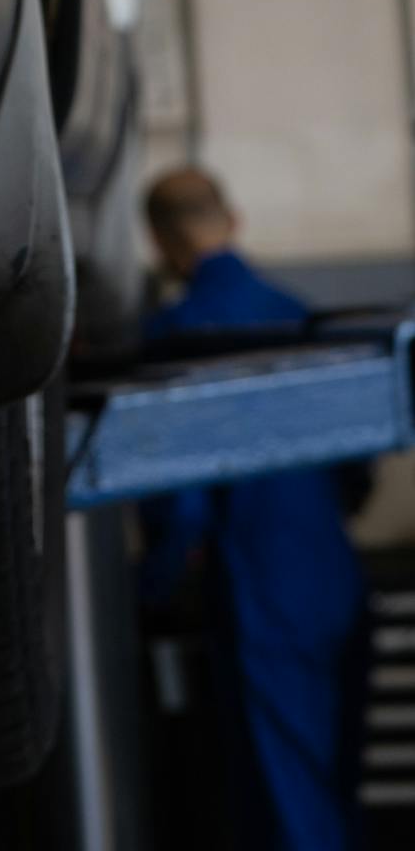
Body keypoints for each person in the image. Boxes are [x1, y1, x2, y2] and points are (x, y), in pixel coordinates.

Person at [141, 167, 370, 851]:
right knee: (332, 786)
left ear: (159, 243)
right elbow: (353, 474)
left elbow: (178, 503)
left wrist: (148, 587)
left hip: (254, 597)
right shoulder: (301, 316)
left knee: (283, 803)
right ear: (232, 220)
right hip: (334, 586)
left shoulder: (174, 335)